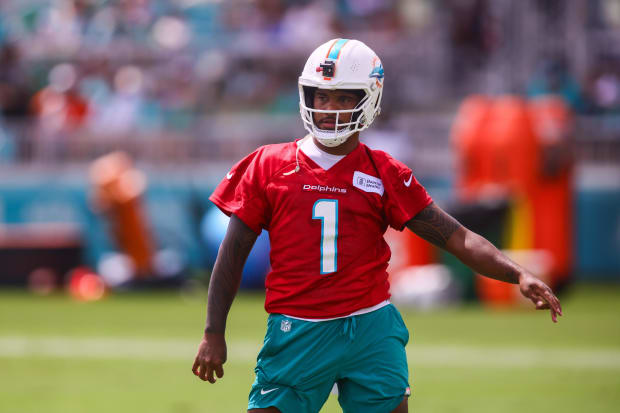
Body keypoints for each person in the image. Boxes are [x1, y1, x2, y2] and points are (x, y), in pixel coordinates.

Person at [192, 39, 562, 413]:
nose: (328, 108)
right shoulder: (268, 165)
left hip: (370, 329)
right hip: (298, 328)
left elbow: (457, 238)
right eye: (321, 97)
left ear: (368, 99)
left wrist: (518, 275)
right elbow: (232, 254)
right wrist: (213, 331)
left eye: (342, 98)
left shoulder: (384, 173)